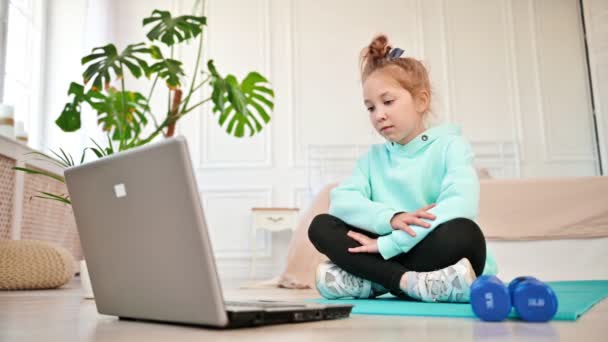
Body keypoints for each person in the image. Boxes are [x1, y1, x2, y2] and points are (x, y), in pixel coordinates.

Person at [308, 34, 498, 303]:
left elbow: (461, 204)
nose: (378, 115)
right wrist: (391, 217)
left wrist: (391, 243)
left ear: (421, 101)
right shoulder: (371, 160)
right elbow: (342, 202)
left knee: (465, 234)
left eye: (388, 102)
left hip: (424, 246)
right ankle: (410, 282)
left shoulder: (451, 146)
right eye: (370, 107)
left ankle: (372, 283)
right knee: (321, 226)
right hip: (385, 247)